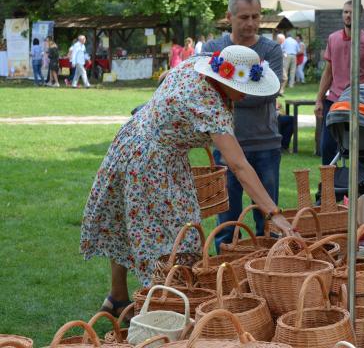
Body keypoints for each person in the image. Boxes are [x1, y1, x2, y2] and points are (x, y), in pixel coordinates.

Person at [80, 45, 294, 316]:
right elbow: (239, 165)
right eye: (243, 88)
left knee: (126, 221)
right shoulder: (210, 108)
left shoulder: (197, 63)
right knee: (174, 239)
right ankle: (162, 311)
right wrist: (273, 213)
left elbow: (165, 83)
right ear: (224, 77)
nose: (245, 95)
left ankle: (118, 297)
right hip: (151, 164)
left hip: (131, 141)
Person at [202, 0, 284, 249]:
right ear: (229, 17)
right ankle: (226, 277)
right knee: (227, 222)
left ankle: (268, 276)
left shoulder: (270, 49)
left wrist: (226, 90)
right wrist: (250, 87)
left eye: (256, 17)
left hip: (265, 144)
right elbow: (205, 93)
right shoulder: (213, 49)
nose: (250, 23)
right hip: (227, 145)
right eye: (244, 17)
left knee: (268, 222)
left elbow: (269, 94)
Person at [315, 0, 364, 165]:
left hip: (357, 102)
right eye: (345, 12)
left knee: (356, 149)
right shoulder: (333, 38)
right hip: (334, 100)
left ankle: (357, 189)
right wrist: (319, 99)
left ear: (360, 15)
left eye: (351, 12)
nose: (348, 15)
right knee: (327, 148)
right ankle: (328, 189)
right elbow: (328, 72)